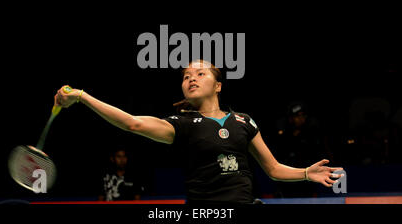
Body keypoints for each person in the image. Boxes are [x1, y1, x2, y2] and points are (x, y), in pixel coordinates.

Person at [55, 59, 344, 204]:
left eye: (200, 74)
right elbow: (132, 122)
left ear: (218, 85)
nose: (191, 78)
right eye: (186, 77)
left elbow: (273, 169)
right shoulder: (180, 125)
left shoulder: (244, 121)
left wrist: (307, 172)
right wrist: (82, 96)